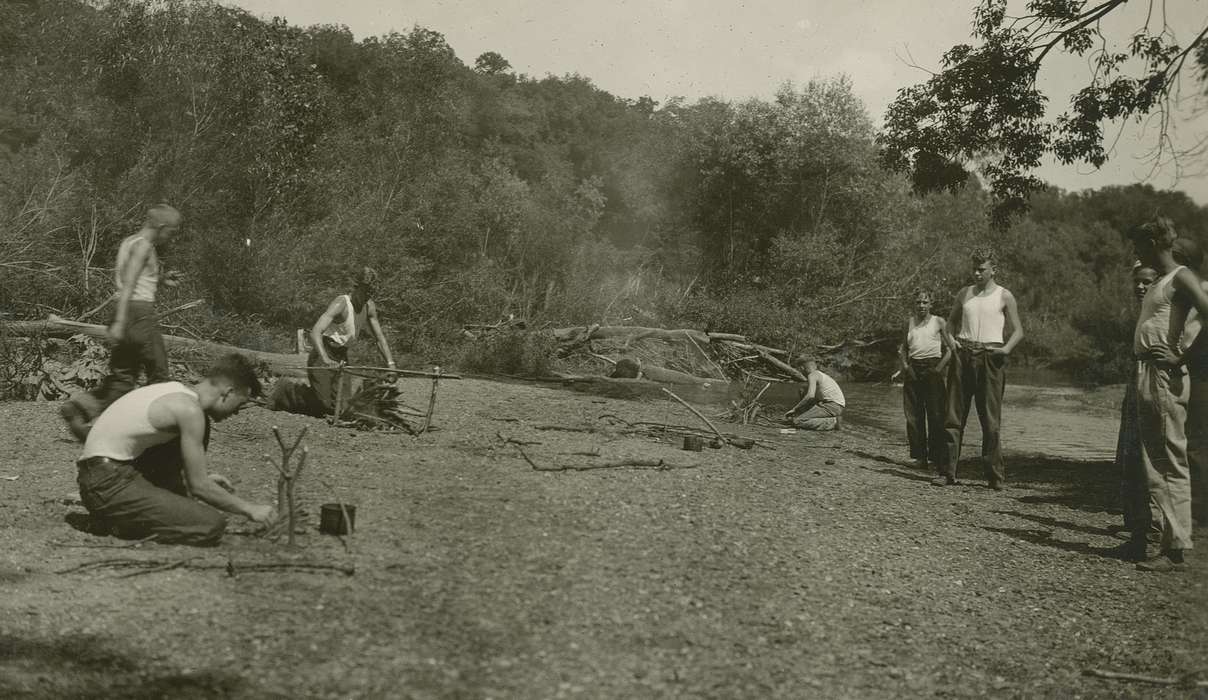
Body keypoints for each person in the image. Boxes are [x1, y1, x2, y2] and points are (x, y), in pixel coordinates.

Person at [75, 354, 276, 546]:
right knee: (210, 525)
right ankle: (115, 520)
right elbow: (200, 486)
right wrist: (250, 509)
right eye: (240, 403)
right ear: (228, 392)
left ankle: (121, 512)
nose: (237, 412)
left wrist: (192, 482)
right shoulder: (190, 411)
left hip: (99, 475)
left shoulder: (174, 391)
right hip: (107, 483)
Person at [60, 204, 185, 441]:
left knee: (122, 378)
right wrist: (120, 321)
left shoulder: (129, 242)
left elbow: (136, 279)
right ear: (160, 227)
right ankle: (158, 432)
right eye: (171, 232)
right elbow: (129, 284)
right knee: (159, 373)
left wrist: (161, 280)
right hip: (139, 314)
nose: (171, 238)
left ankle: (80, 408)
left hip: (123, 311)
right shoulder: (145, 246)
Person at [1129, 219, 1208, 571]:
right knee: (1153, 462)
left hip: (1164, 374)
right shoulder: (1161, 281)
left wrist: (1182, 356)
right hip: (1146, 370)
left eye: (1138, 245)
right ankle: (1169, 542)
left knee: (1168, 461)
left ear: (1151, 242)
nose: (1135, 252)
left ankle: (1175, 548)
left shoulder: (1181, 276)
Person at [934, 248, 1024, 489]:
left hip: (991, 358)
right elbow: (949, 323)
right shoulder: (964, 294)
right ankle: (947, 472)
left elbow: (1018, 331)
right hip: (963, 355)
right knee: (953, 417)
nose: (976, 273)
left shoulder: (1005, 296)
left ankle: (995, 476)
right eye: (974, 268)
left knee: (991, 421)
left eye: (981, 269)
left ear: (993, 269)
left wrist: (1005, 350)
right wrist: (951, 344)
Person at [307, 266, 396, 412]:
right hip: (323, 353)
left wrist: (391, 364)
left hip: (342, 356)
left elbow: (379, 337)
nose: (368, 295)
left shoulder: (369, 307)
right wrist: (325, 359)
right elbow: (315, 331)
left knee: (344, 407)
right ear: (358, 286)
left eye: (371, 292)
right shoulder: (341, 303)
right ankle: (290, 392)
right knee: (324, 406)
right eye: (366, 290)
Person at [1117, 261, 1159, 556]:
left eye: (1147, 282)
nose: (1140, 287)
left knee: (1151, 456)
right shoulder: (1145, 310)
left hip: (1155, 379)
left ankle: (1153, 535)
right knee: (1131, 453)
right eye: (1137, 282)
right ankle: (1138, 529)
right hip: (1137, 377)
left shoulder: (1167, 309)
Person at [899, 290, 952, 471]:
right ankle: (920, 458)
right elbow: (903, 348)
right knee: (913, 415)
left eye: (925, 302)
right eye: (918, 302)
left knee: (936, 415)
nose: (921, 306)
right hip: (914, 368)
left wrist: (938, 370)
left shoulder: (939, 321)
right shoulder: (910, 323)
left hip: (933, 367)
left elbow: (951, 349)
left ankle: (937, 459)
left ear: (931, 304)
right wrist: (906, 366)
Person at [784, 359, 845, 431]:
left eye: (799, 370)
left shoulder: (812, 375)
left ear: (802, 368)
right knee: (803, 390)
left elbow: (810, 396)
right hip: (836, 406)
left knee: (797, 422)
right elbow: (813, 396)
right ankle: (804, 416)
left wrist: (794, 409)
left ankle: (833, 422)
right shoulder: (819, 374)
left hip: (832, 406)